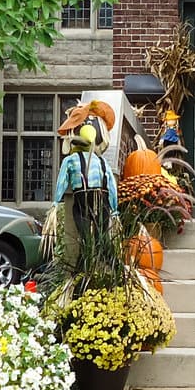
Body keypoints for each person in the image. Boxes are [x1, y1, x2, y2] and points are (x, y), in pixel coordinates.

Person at [53, 100, 118, 266]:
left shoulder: (72, 160)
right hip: (101, 199)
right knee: (98, 235)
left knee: (89, 237)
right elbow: (111, 186)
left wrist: (56, 202)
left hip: (84, 199)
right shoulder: (102, 162)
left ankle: (89, 266)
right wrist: (115, 208)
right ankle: (106, 264)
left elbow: (62, 180)